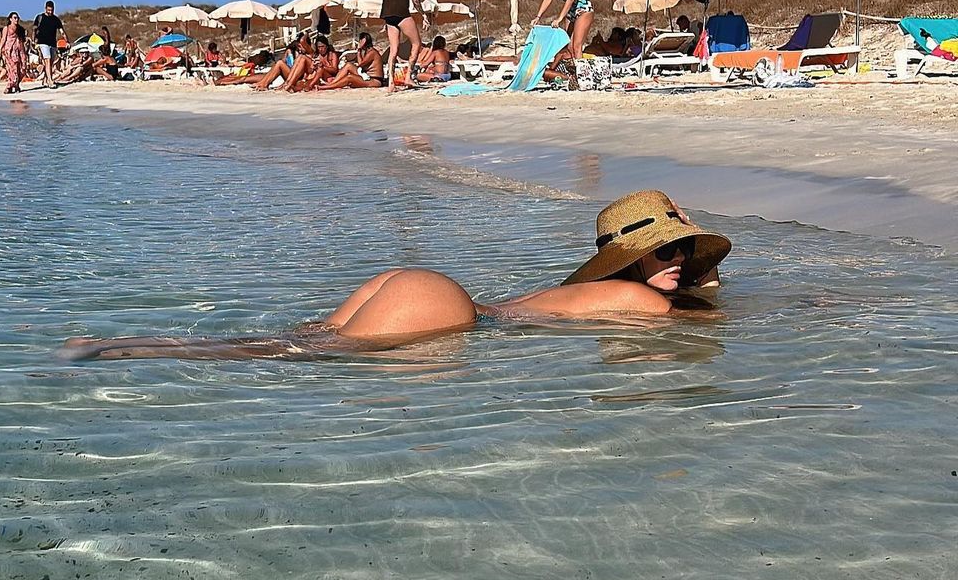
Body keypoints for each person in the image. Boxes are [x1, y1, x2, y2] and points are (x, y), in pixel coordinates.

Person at [60, 190, 730, 362]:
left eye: (681, 254)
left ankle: (118, 344)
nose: (673, 262)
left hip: (427, 291)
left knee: (292, 344)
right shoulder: (641, 304)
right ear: (630, 261)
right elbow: (700, 327)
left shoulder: (596, 290)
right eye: (664, 252)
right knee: (286, 355)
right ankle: (120, 350)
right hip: (448, 307)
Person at [381, 0, 425, 92]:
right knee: (417, 43)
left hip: (388, 16)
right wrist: (423, 14)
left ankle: (391, 83)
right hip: (401, 14)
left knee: (393, 50)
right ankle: (408, 76)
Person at [317, 32, 385, 89]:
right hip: (367, 76)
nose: (359, 42)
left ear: (364, 41)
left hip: (375, 80)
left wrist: (359, 50)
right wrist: (359, 51)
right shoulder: (366, 52)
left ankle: (327, 87)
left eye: (360, 41)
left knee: (349, 77)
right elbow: (360, 64)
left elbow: (361, 64)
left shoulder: (372, 52)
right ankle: (333, 83)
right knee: (348, 65)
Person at [33, 1, 64, 87]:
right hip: (42, 42)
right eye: (48, 10)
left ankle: (45, 79)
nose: (50, 12)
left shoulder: (56, 19)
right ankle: (50, 81)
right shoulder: (40, 17)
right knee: (47, 60)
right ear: (45, 8)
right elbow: (34, 29)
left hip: (52, 43)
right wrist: (34, 40)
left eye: (52, 10)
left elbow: (61, 31)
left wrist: (66, 40)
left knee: (50, 62)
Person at [0, 12, 27, 93]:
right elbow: (3, 39)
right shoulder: (6, 28)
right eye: (15, 18)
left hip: (20, 50)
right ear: (10, 19)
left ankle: (16, 84)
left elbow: (22, 41)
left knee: (22, 68)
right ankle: (9, 85)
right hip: (10, 50)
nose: (16, 19)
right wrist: (0, 50)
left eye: (17, 18)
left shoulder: (20, 29)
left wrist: (24, 53)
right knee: (12, 69)